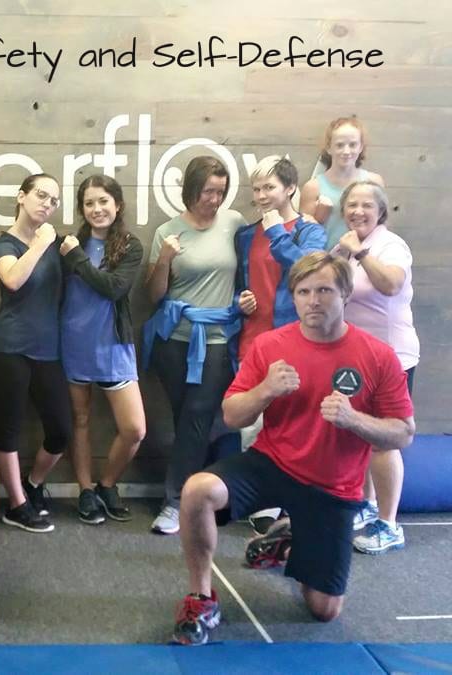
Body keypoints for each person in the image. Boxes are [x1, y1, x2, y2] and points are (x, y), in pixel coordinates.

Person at [172, 252, 414, 646]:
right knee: (198, 489)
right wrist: (265, 390)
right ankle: (201, 597)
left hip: (332, 488)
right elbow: (232, 416)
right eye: (303, 291)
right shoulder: (270, 345)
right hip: (271, 464)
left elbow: (403, 433)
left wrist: (355, 420)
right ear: (294, 297)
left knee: (323, 610)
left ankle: (288, 540)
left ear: (345, 294)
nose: (313, 300)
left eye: (324, 290)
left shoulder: (377, 356)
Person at [142, 156, 248, 535]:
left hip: (216, 338)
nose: (214, 200)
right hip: (174, 340)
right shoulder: (168, 231)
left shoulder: (233, 223)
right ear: (191, 190)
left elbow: (252, 266)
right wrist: (166, 258)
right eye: (208, 191)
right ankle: (203, 493)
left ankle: (175, 503)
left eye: (220, 192)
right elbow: (154, 294)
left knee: (198, 415)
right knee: (186, 418)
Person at [234, 156, 327, 533]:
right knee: (252, 427)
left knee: (296, 426)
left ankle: (294, 505)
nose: (261, 196)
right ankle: (262, 506)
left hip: (297, 343)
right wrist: (238, 303)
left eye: (269, 187)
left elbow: (309, 268)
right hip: (253, 342)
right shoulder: (245, 235)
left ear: (290, 188)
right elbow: (242, 281)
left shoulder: (311, 231)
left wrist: (276, 232)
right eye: (256, 189)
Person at [333, 181, 419, 554]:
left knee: (384, 440)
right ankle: (367, 507)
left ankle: (389, 524)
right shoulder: (345, 246)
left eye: (367, 205)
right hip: (358, 357)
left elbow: (390, 284)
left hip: (393, 357)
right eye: (352, 204)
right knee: (359, 434)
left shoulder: (389, 245)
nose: (358, 211)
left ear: (380, 211)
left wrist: (361, 253)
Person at [0, 173, 72, 533]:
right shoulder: (4, 244)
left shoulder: (57, 244)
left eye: (53, 200)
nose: (47, 204)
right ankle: (17, 505)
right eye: (41, 195)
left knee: (61, 430)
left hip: (48, 351)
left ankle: (33, 484)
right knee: (9, 431)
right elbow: (13, 279)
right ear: (21, 197)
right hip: (8, 349)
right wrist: (39, 244)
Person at [58, 175, 146, 525]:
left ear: (118, 204)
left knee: (134, 429)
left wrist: (77, 259)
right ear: (81, 208)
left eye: (103, 201)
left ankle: (107, 483)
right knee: (79, 420)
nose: (97, 209)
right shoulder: (67, 243)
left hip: (112, 346)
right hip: (73, 342)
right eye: (89, 203)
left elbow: (114, 288)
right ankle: (86, 490)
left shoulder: (128, 245)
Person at [299, 116, 384, 251]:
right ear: (329, 147)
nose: (346, 151)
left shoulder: (374, 182)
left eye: (352, 145)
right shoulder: (313, 188)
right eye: (339, 145)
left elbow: (381, 227)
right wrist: (318, 218)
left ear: (361, 146)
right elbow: (303, 236)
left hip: (363, 262)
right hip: (326, 265)